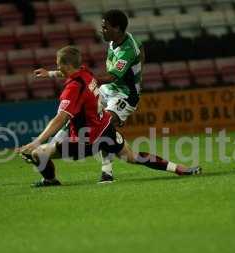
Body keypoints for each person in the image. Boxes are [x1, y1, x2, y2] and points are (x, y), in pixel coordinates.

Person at [18, 46, 201, 187]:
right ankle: (179, 168)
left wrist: (37, 141)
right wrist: (49, 73)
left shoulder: (72, 88)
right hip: (105, 128)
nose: (58, 67)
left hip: (85, 141)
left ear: (67, 65)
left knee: (37, 153)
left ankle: (50, 181)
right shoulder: (85, 72)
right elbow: (66, 73)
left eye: (59, 64)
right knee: (132, 156)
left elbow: (60, 119)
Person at [34, 9, 144, 184]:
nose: (102, 30)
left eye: (105, 27)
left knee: (106, 123)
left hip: (124, 95)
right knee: (81, 115)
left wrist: (85, 81)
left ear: (117, 28)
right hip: (108, 89)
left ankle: (107, 171)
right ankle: (49, 147)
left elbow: (112, 76)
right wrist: (53, 73)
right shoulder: (113, 42)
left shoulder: (129, 49)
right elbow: (87, 75)